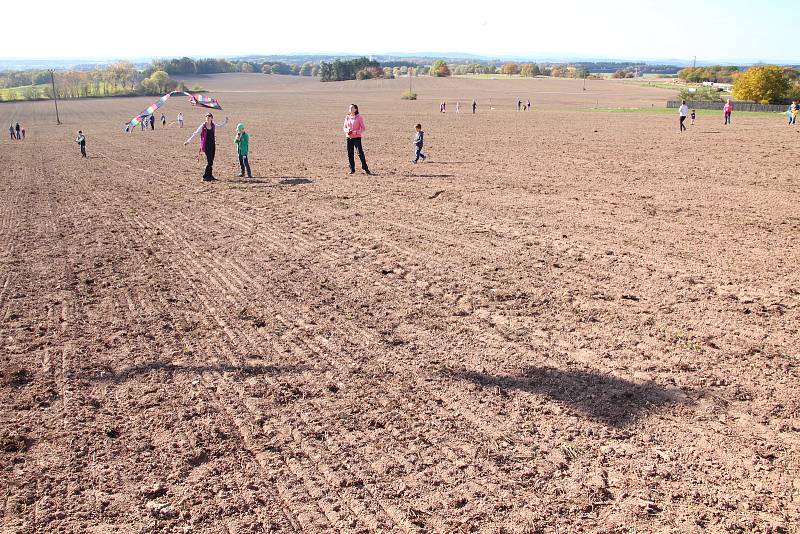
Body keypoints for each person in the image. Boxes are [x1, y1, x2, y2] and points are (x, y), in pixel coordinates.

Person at [184, 113, 229, 181]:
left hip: (212, 145)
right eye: (206, 117)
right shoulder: (203, 126)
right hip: (206, 145)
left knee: (211, 161)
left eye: (209, 117)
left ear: (211, 118)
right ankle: (205, 176)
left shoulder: (213, 125)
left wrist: (225, 122)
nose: (207, 118)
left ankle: (210, 176)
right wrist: (188, 141)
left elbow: (220, 126)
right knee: (209, 161)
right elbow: (195, 133)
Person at [342, 104, 371, 175]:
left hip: (357, 138)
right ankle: (352, 169)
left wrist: (356, 132)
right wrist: (347, 130)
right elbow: (344, 127)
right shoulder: (347, 117)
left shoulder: (359, 117)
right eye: (350, 108)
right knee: (350, 154)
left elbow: (363, 128)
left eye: (352, 108)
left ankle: (365, 168)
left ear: (356, 109)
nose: (350, 109)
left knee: (360, 153)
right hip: (349, 138)